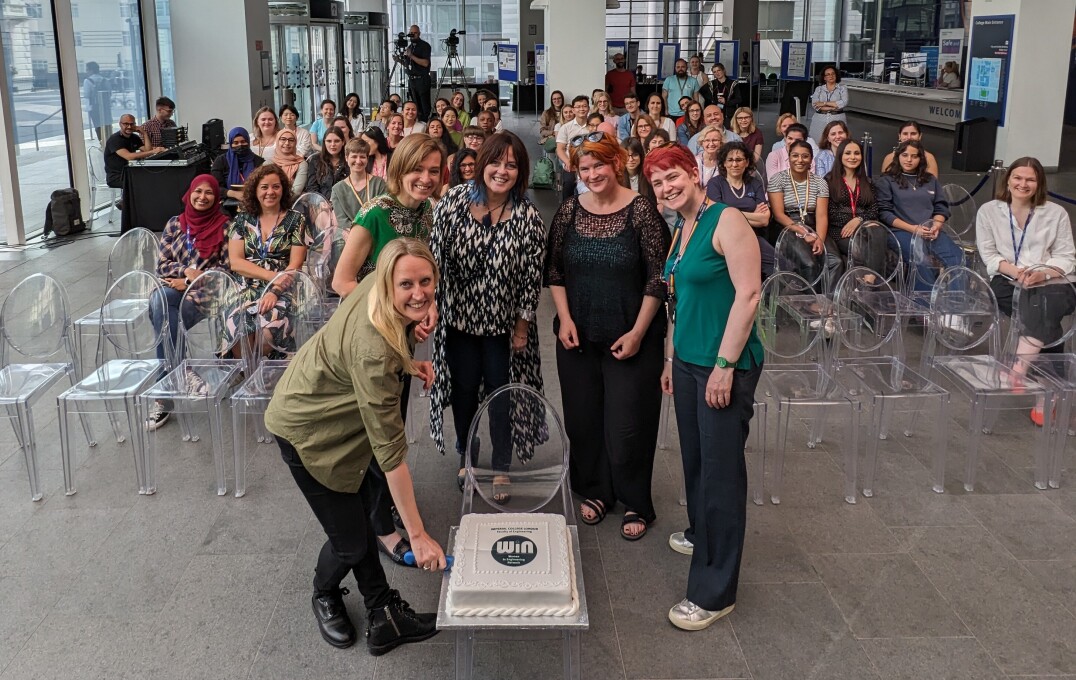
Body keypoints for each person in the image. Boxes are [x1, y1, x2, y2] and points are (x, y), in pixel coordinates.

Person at [264, 237, 444, 655]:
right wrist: (416, 535)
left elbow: (388, 336)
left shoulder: (376, 286)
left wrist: (409, 361)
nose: (418, 293)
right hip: (305, 429)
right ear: (388, 282)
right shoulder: (373, 353)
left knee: (359, 515)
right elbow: (391, 454)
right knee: (351, 541)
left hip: (333, 412)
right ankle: (323, 592)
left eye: (426, 282)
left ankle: (382, 613)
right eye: (407, 285)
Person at [645, 143, 763, 631]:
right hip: (690, 361)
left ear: (694, 173)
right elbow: (680, 299)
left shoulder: (727, 221)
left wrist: (724, 364)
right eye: (657, 183)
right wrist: (673, 357)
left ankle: (714, 593)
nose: (667, 187)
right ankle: (700, 531)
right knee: (695, 458)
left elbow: (749, 293)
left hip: (724, 364)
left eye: (673, 176)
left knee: (719, 475)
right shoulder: (684, 226)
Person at [545, 130, 670, 540]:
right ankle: (597, 489)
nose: (593, 173)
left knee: (627, 424)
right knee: (583, 420)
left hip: (632, 339)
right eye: (585, 167)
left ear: (616, 163)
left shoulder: (642, 212)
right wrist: (564, 319)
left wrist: (638, 332)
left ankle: (635, 500)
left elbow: (658, 278)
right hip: (578, 337)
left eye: (600, 164)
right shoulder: (568, 212)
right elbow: (555, 271)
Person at [428, 132, 545, 496]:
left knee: (501, 393)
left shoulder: (528, 216)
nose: (502, 170)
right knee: (463, 391)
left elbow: (531, 278)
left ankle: (501, 466)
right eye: (496, 162)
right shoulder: (454, 202)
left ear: (520, 171)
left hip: (503, 327)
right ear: (482, 164)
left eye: (511, 165)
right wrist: (430, 305)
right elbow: (434, 259)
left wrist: (522, 327)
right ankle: (466, 454)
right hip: (458, 320)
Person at [975, 156, 1076, 425]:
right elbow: (989, 254)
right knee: (1045, 318)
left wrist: (1042, 272)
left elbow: (1067, 257)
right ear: (1007, 180)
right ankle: (1049, 391)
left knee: (1044, 304)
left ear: (1039, 183)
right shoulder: (988, 211)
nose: (1023, 183)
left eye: (1030, 179)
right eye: (1018, 178)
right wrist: (1017, 272)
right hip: (1008, 279)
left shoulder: (1056, 214)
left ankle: (1019, 368)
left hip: (1054, 281)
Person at [145, 174, 231, 430]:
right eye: (198, 192)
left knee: (161, 308)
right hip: (174, 287)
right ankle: (180, 371)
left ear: (216, 197)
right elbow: (162, 265)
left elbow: (227, 270)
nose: (202, 197)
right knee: (161, 301)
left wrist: (195, 280)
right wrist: (185, 273)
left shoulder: (226, 226)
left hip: (207, 292)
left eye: (209, 193)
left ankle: (164, 394)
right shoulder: (175, 224)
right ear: (189, 193)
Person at [332, 134, 442, 296]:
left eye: (433, 171)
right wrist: (387, 308)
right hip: (376, 315)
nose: (426, 179)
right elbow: (341, 283)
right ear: (400, 170)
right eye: (417, 169)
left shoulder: (426, 207)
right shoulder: (373, 215)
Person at [225, 164, 308, 358]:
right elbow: (236, 262)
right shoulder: (242, 220)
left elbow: (295, 264)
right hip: (245, 285)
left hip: (284, 286)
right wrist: (272, 276)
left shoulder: (297, 220)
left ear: (283, 189)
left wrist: (275, 289)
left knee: (267, 334)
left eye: (276, 187)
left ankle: (260, 370)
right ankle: (251, 376)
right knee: (238, 329)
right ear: (255, 190)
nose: (270, 192)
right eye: (264, 187)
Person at [876, 139, 961, 290]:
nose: (909, 160)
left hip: (930, 230)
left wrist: (936, 226)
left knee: (957, 258)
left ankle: (955, 304)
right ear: (898, 156)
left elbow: (941, 207)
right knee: (921, 261)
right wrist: (914, 229)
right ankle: (924, 307)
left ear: (920, 159)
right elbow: (885, 214)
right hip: (901, 231)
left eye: (914, 156)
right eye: (905, 155)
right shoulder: (887, 180)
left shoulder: (930, 180)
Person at [768, 139, 841, 285]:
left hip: (813, 223)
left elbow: (821, 215)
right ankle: (808, 304)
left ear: (811, 159)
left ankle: (829, 302)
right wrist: (804, 233)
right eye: (795, 156)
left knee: (835, 261)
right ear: (789, 158)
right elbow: (779, 215)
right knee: (809, 263)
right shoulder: (778, 179)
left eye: (805, 156)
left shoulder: (819, 182)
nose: (800, 160)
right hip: (788, 225)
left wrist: (819, 238)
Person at [706, 141, 774, 278]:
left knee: (778, 262)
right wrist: (753, 215)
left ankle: (767, 298)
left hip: (752, 237)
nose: (734, 164)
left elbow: (765, 219)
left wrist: (730, 212)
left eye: (739, 160)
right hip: (725, 238)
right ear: (724, 163)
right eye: (730, 160)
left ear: (747, 162)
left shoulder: (754, 184)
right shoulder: (715, 184)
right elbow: (717, 215)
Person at [826, 139, 879, 262]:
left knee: (879, 232)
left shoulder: (868, 181)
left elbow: (874, 210)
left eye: (857, 153)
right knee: (862, 250)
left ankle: (869, 280)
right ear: (840, 156)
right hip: (841, 231)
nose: (853, 157)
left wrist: (859, 220)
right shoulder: (829, 180)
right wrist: (853, 223)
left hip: (864, 228)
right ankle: (870, 279)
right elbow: (831, 212)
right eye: (848, 153)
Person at [332, 138, 389, 229]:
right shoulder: (337, 189)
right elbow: (342, 221)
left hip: (375, 231)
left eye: (362, 157)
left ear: (367, 158)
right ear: (346, 158)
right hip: (349, 235)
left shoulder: (379, 184)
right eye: (354, 156)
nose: (358, 161)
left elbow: (383, 213)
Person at [104, 114, 163, 189]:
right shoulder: (114, 139)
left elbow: (148, 150)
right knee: (144, 182)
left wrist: (144, 133)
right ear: (120, 124)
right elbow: (129, 157)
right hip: (116, 176)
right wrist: (154, 151)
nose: (129, 127)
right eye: (126, 124)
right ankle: (130, 200)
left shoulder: (134, 137)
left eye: (132, 124)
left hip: (131, 172)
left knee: (154, 177)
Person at [210, 127, 263, 201]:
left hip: (254, 200)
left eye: (243, 141)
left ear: (248, 141)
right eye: (236, 143)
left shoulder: (257, 161)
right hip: (227, 202)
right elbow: (214, 187)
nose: (240, 145)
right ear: (231, 144)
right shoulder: (221, 161)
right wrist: (233, 194)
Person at [556, 95, 591, 200]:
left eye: (584, 106)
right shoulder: (565, 128)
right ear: (573, 110)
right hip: (571, 163)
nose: (581, 109)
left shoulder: (592, 126)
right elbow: (560, 149)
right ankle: (567, 210)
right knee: (569, 184)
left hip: (589, 163)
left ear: (588, 109)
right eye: (578, 106)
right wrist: (567, 161)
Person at [398, 25, 433, 121]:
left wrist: (411, 55)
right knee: (415, 106)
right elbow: (409, 65)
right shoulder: (410, 47)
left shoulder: (425, 46)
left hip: (422, 79)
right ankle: (416, 123)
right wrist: (399, 60)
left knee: (424, 107)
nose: (413, 35)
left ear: (419, 33)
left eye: (415, 33)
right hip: (412, 80)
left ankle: (426, 124)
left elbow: (425, 63)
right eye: (411, 33)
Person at [809, 66, 848, 142]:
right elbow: (815, 104)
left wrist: (824, 103)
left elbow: (843, 103)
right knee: (817, 142)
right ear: (824, 78)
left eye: (833, 74)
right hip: (819, 120)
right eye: (828, 74)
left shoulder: (842, 88)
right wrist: (833, 107)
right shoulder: (819, 89)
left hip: (837, 119)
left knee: (838, 141)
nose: (831, 76)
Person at [82, 61, 112, 142]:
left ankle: (102, 142)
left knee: (98, 125)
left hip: (94, 107)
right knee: (107, 124)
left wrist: (88, 108)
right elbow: (109, 93)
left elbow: (87, 95)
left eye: (87, 70)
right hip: (105, 106)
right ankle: (109, 141)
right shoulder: (105, 79)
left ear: (91, 70)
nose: (86, 72)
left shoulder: (87, 81)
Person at [272, 129, 309, 196]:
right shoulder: (269, 163)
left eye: (291, 140)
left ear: (295, 143)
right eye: (283, 139)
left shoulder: (301, 164)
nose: (287, 143)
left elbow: (296, 191)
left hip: (292, 203)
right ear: (277, 141)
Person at [621, 137, 654, 204]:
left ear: (641, 156)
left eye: (635, 155)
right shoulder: (617, 178)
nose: (631, 159)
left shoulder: (649, 176)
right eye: (627, 155)